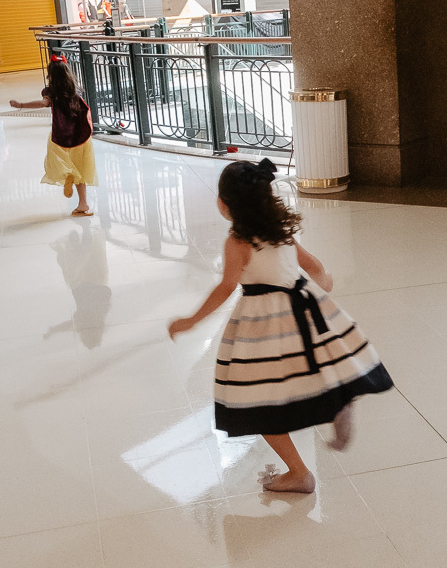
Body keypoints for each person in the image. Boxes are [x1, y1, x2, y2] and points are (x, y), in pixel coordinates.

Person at [167, 160, 394, 494]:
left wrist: (191, 321)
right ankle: (338, 402)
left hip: (264, 325)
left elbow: (226, 287)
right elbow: (317, 269)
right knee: (309, 373)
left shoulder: (238, 241)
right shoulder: (282, 230)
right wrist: (317, 290)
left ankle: (299, 472)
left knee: (257, 400)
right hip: (303, 309)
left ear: (226, 205)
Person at [9, 56, 97, 216]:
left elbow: (42, 103)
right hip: (81, 135)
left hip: (61, 134)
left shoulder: (50, 91)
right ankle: (83, 203)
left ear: (51, 74)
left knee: (57, 160)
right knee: (81, 167)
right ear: (68, 71)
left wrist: (20, 105)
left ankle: (69, 174)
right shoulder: (76, 88)